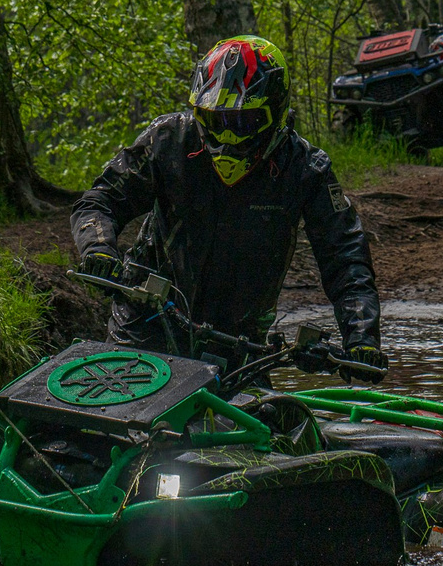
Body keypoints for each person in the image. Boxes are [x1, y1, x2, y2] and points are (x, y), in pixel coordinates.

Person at [72, 36, 387, 372]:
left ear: (276, 110)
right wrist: (99, 248)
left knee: (269, 421)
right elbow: (100, 200)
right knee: (119, 415)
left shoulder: (306, 168)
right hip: (147, 324)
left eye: (243, 122)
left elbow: (345, 256)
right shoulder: (168, 140)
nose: (228, 137)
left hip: (240, 343)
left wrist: (361, 338)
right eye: (216, 120)